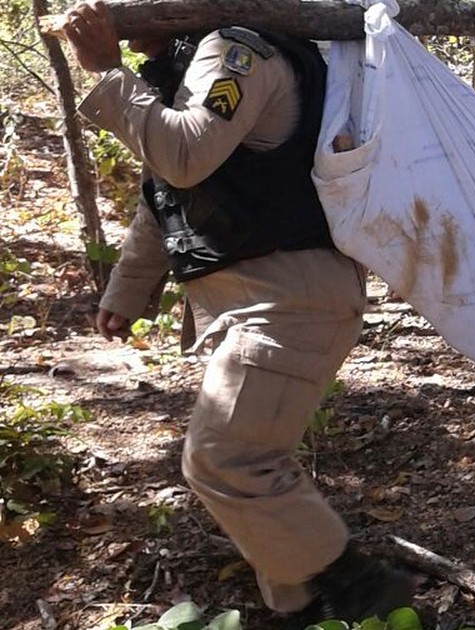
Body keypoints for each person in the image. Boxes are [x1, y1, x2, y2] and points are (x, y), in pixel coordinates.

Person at [61, 1, 413, 622]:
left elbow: (185, 156)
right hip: (256, 301)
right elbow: (168, 194)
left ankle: (359, 583)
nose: (115, 13)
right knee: (257, 469)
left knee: (226, 458)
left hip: (289, 299)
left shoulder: (237, 52)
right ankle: (301, 609)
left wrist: (107, 71)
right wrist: (125, 290)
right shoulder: (190, 62)